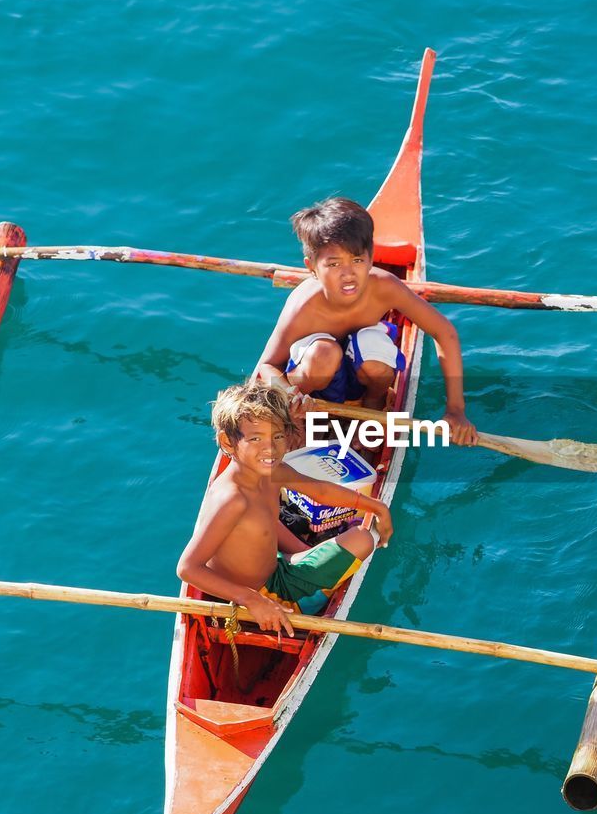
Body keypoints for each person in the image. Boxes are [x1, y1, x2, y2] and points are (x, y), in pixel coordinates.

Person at [254, 197, 478, 446]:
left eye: (357, 260)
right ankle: (301, 424)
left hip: (361, 385)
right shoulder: (303, 306)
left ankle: (372, 412)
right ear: (312, 268)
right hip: (312, 396)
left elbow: (445, 333)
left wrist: (456, 410)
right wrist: (288, 395)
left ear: (371, 258)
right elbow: (267, 365)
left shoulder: (385, 287)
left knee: (374, 352)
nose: (348, 273)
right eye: (333, 264)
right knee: (323, 353)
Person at [176, 381, 394, 636]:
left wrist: (376, 506)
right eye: (255, 439)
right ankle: (305, 606)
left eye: (277, 436)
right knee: (362, 538)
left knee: (306, 535)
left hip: (274, 567)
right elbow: (187, 568)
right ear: (228, 442)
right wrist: (252, 600)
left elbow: (320, 491)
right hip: (262, 596)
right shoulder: (232, 499)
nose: (270, 448)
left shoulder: (271, 472)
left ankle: (298, 557)